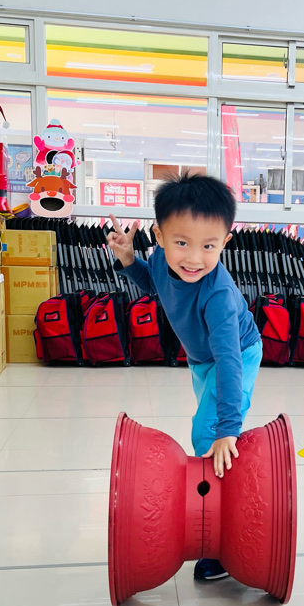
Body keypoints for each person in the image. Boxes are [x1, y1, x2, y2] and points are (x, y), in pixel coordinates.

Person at [107, 174, 263, 582]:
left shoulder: (218, 296)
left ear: (225, 242)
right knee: (208, 435)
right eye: (182, 243)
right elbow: (155, 283)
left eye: (208, 246)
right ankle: (219, 516)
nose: (194, 258)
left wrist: (228, 428)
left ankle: (222, 542)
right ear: (159, 236)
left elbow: (229, 361)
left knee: (209, 436)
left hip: (237, 355)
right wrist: (129, 260)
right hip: (201, 360)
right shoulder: (162, 261)